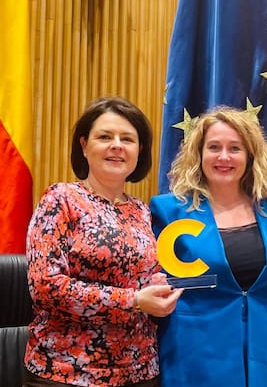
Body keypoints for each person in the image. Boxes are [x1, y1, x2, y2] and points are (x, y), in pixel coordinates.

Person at [23, 96, 182, 387]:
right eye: (105, 137)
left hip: (141, 372)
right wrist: (134, 301)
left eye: (127, 139)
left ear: (140, 150)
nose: (117, 145)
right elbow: (45, 287)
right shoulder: (61, 199)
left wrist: (158, 285)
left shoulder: (142, 211)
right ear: (84, 146)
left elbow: (139, 278)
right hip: (68, 372)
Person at [150, 107, 267, 387]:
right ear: (199, 153)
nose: (224, 157)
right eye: (214, 147)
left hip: (263, 363)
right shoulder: (168, 211)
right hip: (193, 361)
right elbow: (150, 282)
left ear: (250, 155)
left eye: (235, 148)